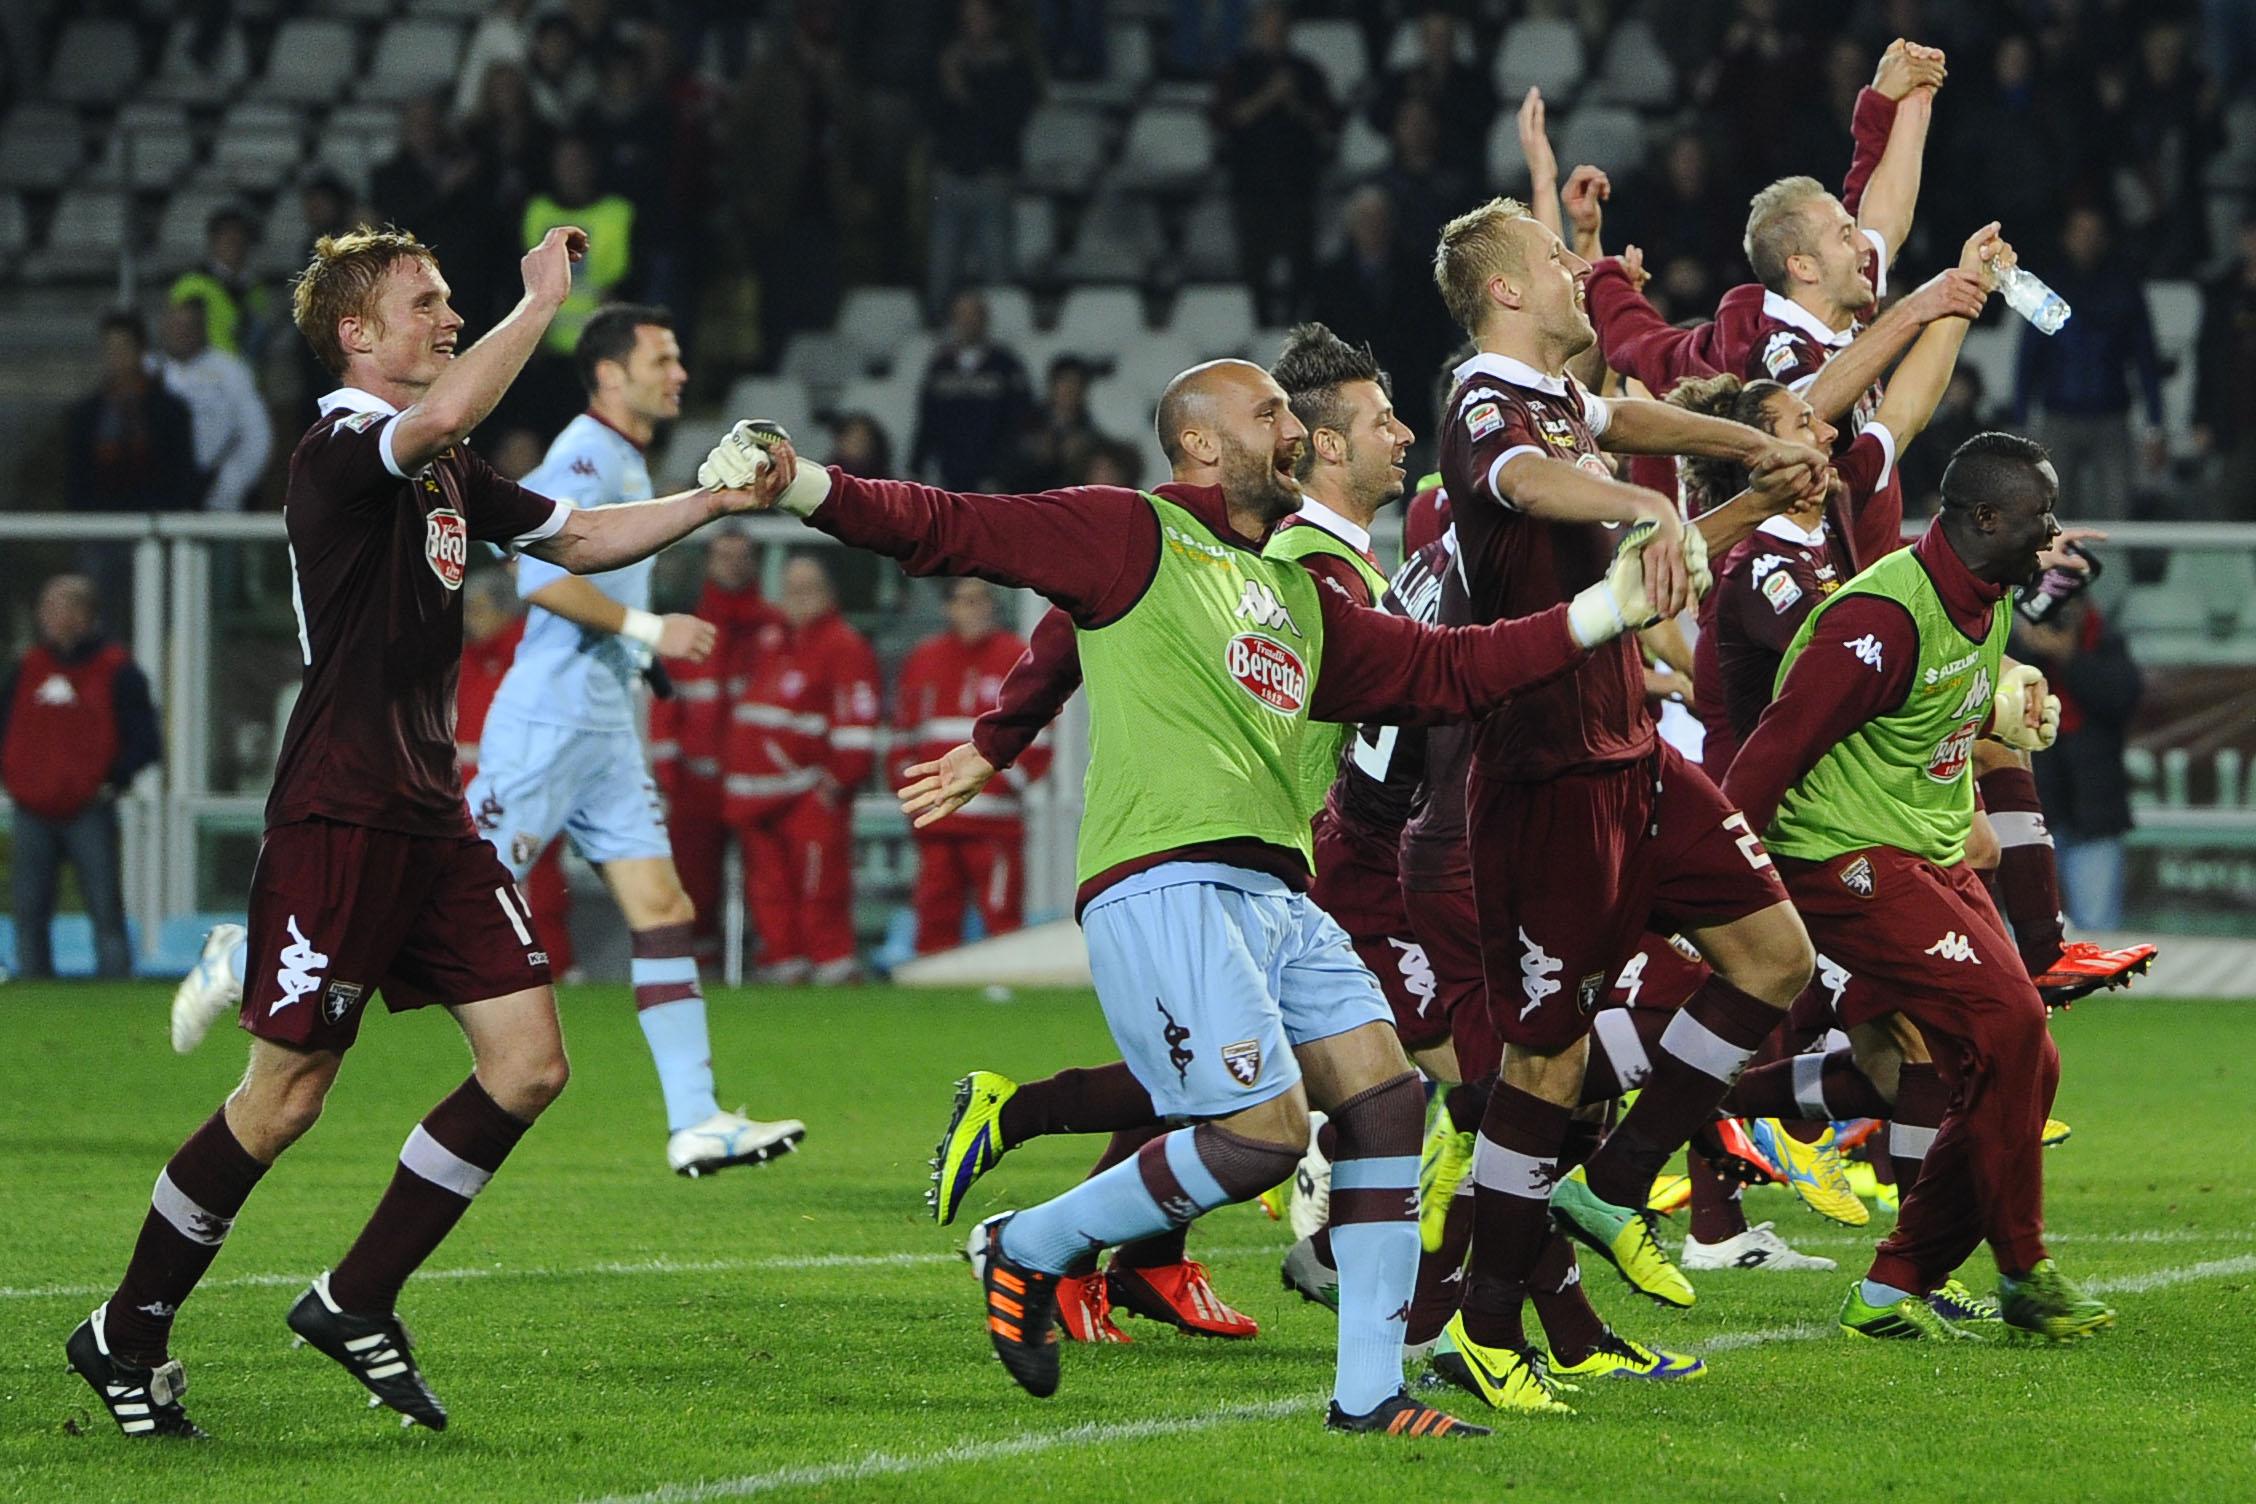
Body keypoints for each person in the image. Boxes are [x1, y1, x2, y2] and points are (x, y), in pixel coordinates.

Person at [707, 348, 1689, 1435]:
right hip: (1162, 877)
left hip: (1277, 889)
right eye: (1270, 413)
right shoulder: (1133, 532)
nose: (1295, 430)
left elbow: (1449, 671)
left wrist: (1608, 610)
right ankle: (1027, 1246)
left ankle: (1369, 1395)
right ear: (1203, 444)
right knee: (1261, 1134)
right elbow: (952, 523)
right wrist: (802, 485)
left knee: (1386, 1101)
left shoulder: (1296, 594)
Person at [77, 221, 782, 1441]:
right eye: (427, 303)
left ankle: (357, 1296)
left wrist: (716, 496)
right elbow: (447, 411)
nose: (449, 318)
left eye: (455, 303)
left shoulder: (444, 466)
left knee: (528, 1065)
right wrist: (541, 306)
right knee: (282, 1100)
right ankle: (123, 1330)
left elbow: (581, 539)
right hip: (338, 813)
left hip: (427, 812)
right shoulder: (342, 448)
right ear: (357, 332)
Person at [1428, 193, 1834, 1414]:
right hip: (1544, 777)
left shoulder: (1565, 404)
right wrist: (1644, 501)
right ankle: (1484, 1329)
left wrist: (1752, 473)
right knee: (1543, 1066)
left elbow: (1620, 417)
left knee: (1775, 960)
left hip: (1636, 759)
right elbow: (1528, 479)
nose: (1575, 271)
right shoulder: (1481, 406)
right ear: (1506, 290)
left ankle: (1619, 1178)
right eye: (1557, 261)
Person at [1724, 432, 2117, 1342]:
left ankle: (1890, 1287)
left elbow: (1933, 707)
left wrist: (2005, 707)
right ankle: (2024, 1269)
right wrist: (1723, 887)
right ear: (1984, 519)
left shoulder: (1982, 599)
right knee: (2008, 1027)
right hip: (1844, 855)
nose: (2052, 534)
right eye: (2039, 515)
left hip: (1926, 853)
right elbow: (1771, 754)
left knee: (2027, 1059)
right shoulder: (1879, 619)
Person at [465, 303, 806, 1175]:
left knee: (663, 909)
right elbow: (536, 579)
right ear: (611, 374)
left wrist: (634, 652)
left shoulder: (621, 457)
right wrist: (650, 631)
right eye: (664, 357)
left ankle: (695, 1116)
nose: (680, 374)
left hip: (602, 723)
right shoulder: (585, 452)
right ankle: (263, 954)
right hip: (550, 718)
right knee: (451, 891)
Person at [723, 554, 879, 985]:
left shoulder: (843, 646)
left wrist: (836, 782)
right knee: (770, 891)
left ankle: (831, 968)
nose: (798, 598)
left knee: (819, 887)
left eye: (807, 588)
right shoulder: (771, 641)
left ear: (829, 594)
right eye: (790, 588)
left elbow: (857, 722)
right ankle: (785, 965)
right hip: (758, 795)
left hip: (810, 791)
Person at [1, 574, 159, 980]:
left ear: (85, 614)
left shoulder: (116, 670)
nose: (49, 618)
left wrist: (111, 778)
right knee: (29, 908)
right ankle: (35, 987)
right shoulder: (27, 668)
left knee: (105, 907)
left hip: (90, 807)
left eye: (60, 608)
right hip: (31, 808)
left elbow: (146, 738)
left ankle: (116, 985)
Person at [648, 528, 782, 965]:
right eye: (724, 556)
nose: (732, 565)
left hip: (761, 784)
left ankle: (769, 968)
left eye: (741, 556)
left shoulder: (774, 630)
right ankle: (700, 971)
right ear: (708, 563)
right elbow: (666, 706)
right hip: (696, 782)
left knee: (770, 883)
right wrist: (669, 779)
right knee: (694, 886)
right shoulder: (688, 630)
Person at [892, 578, 1045, 955]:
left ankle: (1006, 991)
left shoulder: (1017, 656)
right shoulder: (925, 658)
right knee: (934, 914)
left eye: (980, 601)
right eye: (964, 601)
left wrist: (1011, 782)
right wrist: (915, 791)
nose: (973, 610)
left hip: (995, 821)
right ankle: (933, 998)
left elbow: (1039, 735)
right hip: (938, 818)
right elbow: (903, 734)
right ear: (949, 608)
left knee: (1002, 916)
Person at [2009, 207, 2164, 521]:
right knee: (2052, 512)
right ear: (2066, 238)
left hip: (2111, 415)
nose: (2087, 240)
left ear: (2105, 239)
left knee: (2118, 510)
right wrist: (2020, 419)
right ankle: (2054, 573)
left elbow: (2146, 359)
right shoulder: (2047, 286)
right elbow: (2029, 357)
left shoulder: (2124, 287)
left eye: (2094, 233)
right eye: (2080, 232)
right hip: (2059, 415)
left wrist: (2155, 426)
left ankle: (2116, 572)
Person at [456, 568, 573, 979]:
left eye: (478, 608)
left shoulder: (531, 661)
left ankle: (553, 970)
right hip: (470, 802)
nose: (470, 617)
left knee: (536, 891)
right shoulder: (467, 663)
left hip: (527, 799)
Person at [2015, 594, 2143, 929]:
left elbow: (2120, 699)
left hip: (2094, 811)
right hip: (2033, 807)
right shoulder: (2015, 648)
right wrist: (2031, 648)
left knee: (2096, 928)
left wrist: (2069, 655)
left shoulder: (2105, 641)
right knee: (2026, 925)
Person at [1210, 1, 1337, 324]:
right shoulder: (1237, 70)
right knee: (1255, 267)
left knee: (1301, 267)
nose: (1274, 32)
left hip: (1298, 185)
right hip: (1251, 185)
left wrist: (1293, 103)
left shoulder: (1306, 71)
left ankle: (1296, 328)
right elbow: (1226, 119)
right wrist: (1269, 96)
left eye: (1280, 26)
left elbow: (1327, 123)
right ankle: (1259, 327)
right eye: (1268, 25)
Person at [924, 0, 1041, 316]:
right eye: (968, 18)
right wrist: (947, 84)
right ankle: (939, 341)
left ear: (995, 20)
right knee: (941, 273)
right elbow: (931, 118)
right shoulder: (944, 62)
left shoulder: (1013, 66)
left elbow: (1007, 121)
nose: (973, 25)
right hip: (950, 177)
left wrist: (962, 89)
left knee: (997, 273)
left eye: (979, 17)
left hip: (992, 177)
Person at [66, 311, 199, 516]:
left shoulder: (170, 411)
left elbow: (181, 475)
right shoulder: (86, 415)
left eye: (123, 348)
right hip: (99, 526)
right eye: (109, 349)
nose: (116, 357)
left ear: (140, 350)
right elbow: (77, 479)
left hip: (155, 525)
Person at [910, 290, 1033, 491]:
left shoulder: (1005, 364)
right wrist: (916, 467)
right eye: (961, 314)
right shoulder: (940, 366)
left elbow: (1019, 421)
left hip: (993, 477)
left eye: (973, 314)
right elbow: (927, 420)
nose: (967, 321)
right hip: (948, 476)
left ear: (984, 318)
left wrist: (1003, 473)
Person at [156, 301, 271, 513]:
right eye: (175, 325)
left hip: (220, 492)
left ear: (202, 328)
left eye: (188, 326)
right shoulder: (149, 371)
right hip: (164, 496)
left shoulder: (231, 369)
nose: (181, 333)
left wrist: (231, 483)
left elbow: (257, 435)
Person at [167, 205, 273, 359]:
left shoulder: (256, 288)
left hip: (245, 371)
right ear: (213, 240)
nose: (235, 244)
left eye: (239, 238)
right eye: (228, 238)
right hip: (206, 371)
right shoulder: (191, 284)